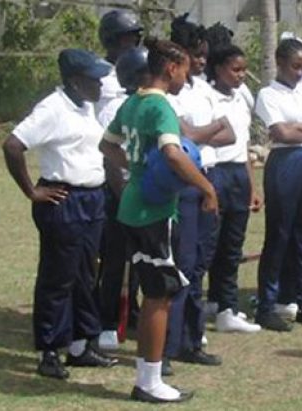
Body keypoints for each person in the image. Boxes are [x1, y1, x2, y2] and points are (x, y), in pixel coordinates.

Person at [100, 37, 218, 403]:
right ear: (171, 68)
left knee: (154, 289)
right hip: (154, 211)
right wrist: (207, 189)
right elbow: (173, 154)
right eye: (184, 69)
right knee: (159, 294)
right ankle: (149, 380)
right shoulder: (161, 106)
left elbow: (107, 145)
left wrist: (135, 171)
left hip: (133, 204)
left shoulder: (132, 102)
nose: (187, 76)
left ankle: (148, 377)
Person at [2, 49, 118, 380]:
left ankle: (81, 345)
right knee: (58, 277)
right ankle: (49, 349)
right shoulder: (52, 109)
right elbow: (13, 145)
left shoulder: (86, 106)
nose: (100, 85)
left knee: (85, 275)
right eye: (94, 80)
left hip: (91, 198)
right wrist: (31, 190)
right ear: (76, 81)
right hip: (63, 198)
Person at [160, 14, 235, 375]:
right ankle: (168, 347)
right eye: (196, 54)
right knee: (182, 266)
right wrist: (208, 129)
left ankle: (192, 339)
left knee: (200, 264)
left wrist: (202, 132)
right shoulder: (167, 94)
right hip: (185, 184)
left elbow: (230, 133)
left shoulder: (203, 90)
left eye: (205, 54)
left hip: (210, 177)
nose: (202, 61)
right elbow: (181, 137)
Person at [254, 38, 302, 331]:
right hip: (285, 163)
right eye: (295, 66)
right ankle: (266, 305)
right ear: (280, 62)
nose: (300, 73)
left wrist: (299, 128)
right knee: (279, 235)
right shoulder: (268, 94)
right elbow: (281, 134)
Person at [202, 28, 264, 333]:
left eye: (244, 69)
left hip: (239, 172)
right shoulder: (205, 96)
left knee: (232, 244)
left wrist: (252, 186)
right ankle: (204, 302)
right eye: (235, 70)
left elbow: (244, 143)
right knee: (209, 242)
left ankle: (226, 306)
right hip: (215, 173)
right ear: (218, 69)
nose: (242, 75)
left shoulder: (243, 96)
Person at [95, 47, 148, 351]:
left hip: (145, 194)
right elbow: (110, 158)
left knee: (142, 261)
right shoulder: (116, 108)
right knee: (115, 261)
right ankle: (107, 320)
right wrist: (125, 195)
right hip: (120, 194)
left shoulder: (150, 104)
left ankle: (135, 311)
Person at [96, 9, 143, 115]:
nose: (132, 46)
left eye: (135, 40)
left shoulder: (140, 71)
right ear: (111, 41)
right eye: (127, 40)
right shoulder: (100, 76)